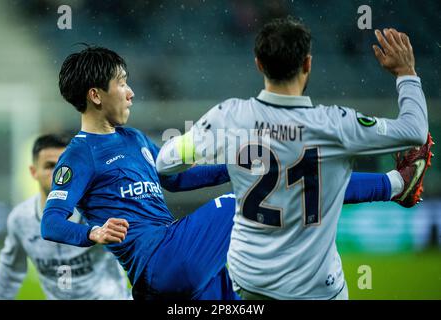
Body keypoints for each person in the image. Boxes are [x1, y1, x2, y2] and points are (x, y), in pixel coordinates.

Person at [41, 46, 426, 300]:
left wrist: (236, 167)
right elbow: (52, 222)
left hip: (171, 282)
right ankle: (394, 185)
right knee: (257, 196)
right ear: (95, 95)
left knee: (247, 288)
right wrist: (92, 232)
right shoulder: (79, 156)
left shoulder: (133, 137)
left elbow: (172, 179)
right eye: (122, 83)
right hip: (161, 259)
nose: (130, 92)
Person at [156, 17, 433, 300]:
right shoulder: (335, 123)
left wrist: (227, 160)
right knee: (325, 178)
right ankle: (396, 184)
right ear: (308, 64)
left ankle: (396, 184)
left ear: (259, 64)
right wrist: (406, 73)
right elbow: (415, 130)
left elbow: (165, 163)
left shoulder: (228, 117)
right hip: (316, 287)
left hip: (250, 280)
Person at [0, 134, 131, 300]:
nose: (59, 173)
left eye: (66, 165)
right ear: (34, 172)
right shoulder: (21, 219)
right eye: (50, 166)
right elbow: (10, 271)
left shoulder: (99, 209)